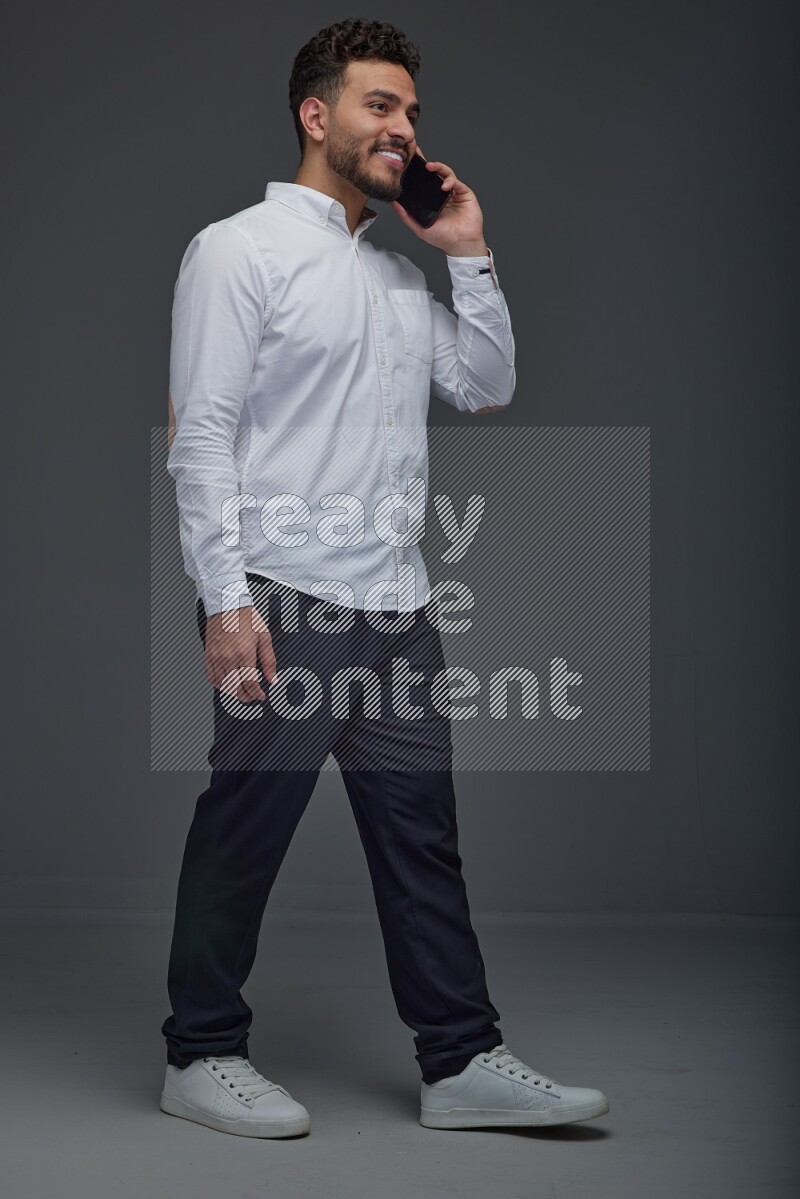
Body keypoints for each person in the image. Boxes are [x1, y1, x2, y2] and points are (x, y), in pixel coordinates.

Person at [159, 17, 609, 1138]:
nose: (403, 130)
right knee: (245, 825)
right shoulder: (239, 249)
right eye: (379, 106)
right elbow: (201, 435)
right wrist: (224, 599)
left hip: (398, 604)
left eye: (410, 112)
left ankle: (457, 1060)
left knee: (420, 834)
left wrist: (466, 250)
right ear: (317, 115)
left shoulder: (402, 278)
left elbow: (487, 383)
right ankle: (199, 1050)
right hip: (283, 593)